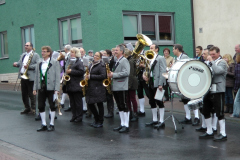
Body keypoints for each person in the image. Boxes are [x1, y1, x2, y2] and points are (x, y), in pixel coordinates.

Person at [199, 46, 228, 141]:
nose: (212, 56)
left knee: (219, 112)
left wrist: (211, 61)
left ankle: (223, 133)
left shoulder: (222, 62)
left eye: (213, 54)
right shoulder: (209, 62)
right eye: (210, 54)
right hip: (209, 89)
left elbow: (218, 71)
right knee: (205, 110)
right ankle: (209, 131)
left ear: (218, 53)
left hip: (218, 90)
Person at [33, 46, 60, 132]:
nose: (42, 53)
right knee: (40, 105)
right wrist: (35, 88)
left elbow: (57, 77)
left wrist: (57, 89)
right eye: (42, 51)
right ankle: (43, 124)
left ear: (49, 53)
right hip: (41, 86)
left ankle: (52, 124)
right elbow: (36, 76)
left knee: (52, 105)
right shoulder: (39, 63)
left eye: (44, 51)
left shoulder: (55, 62)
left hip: (51, 87)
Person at [172, 44, 200, 126]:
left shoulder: (184, 57)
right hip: (182, 81)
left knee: (191, 99)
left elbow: (187, 68)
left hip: (187, 81)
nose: (173, 51)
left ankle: (196, 117)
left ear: (177, 49)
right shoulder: (178, 58)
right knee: (185, 100)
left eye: (173, 49)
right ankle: (188, 117)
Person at [108, 45, 130, 133]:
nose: (115, 52)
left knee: (124, 105)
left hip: (122, 86)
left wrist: (114, 75)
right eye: (114, 50)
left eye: (116, 50)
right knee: (119, 105)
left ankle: (126, 125)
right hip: (116, 86)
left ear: (121, 51)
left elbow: (126, 73)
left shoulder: (124, 60)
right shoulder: (116, 60)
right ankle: (122, 123)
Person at [143, 44, 167, 129]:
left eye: (152, 48)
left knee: (159, 101)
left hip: (157, 83)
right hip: (150, 82)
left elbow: (163, 71)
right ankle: (154, 119)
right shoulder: (149, 58)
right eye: (150, 48)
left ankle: (161, 121)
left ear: (156, 49)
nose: (150, 49)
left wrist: (161, 84)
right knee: (151, 101)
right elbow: (146, 69)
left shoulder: (160, 58)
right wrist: (144, 76)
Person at [13, 42, 40, 115]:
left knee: (31, 93)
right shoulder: (23, 55)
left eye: (27, 45)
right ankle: (27, 108)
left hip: (30, 76)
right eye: (25, 45)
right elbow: (20, 63)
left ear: (31, 47)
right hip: (23, 76)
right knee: (24, 93)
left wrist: (29, 67)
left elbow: (38, 64)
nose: (26, 46)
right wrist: (16, 64)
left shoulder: (35, 55)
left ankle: (33, 108)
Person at [195, 48, 218, 133]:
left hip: (213, 88)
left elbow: (214, 73)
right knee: (203, 108)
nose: (202, 55)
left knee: (214, 109)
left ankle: (214, 127)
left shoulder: (214, 63)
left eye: (204, 54)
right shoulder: (204, 63)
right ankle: (204, 126)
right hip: (205, 88)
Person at [85, 52, 107, 128]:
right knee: (90, 103)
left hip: (98, 87)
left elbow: (103, 76)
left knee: (99, 104)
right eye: (95, 55)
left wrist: (91, 76)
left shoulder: (101, 65)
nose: (95, 57)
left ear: (100, 57)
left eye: (97, 56)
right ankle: (96, 119)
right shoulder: (91, 64)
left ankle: (100, 121)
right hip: (91, 87)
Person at [66, 47, 84, 123]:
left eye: (72, 52)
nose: (71, 54)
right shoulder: (70, 62)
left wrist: (71, 71)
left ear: (76, 54)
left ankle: (79, 116)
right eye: (70, 52)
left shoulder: (79, 62)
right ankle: (74, 115)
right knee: (72, 102)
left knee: (78, 102)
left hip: (77, 85)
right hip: (70, 84)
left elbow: (81, 71)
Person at [124, 49, 138, 122]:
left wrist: (128, 85)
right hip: (129, 82)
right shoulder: (129, 60)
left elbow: (131, 74)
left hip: (131, 82)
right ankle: (130, 113)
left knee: (132, 98)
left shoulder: (130, 61)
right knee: (128, 99)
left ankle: (135, 113)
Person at [136, 42, 150, 117]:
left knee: (148, 93)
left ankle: (154, 108)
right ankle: (142, 110)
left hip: (145, 75)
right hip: (138, 76)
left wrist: (143, 66)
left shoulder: (146, 53)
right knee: (139, 93)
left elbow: (149, 64)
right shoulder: (135, 54)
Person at [103, 49, 115, 118]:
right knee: (108, 97)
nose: (103, 54)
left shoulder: (111, 61)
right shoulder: (103, 61)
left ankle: (111, 112)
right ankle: (109, 111)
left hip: (110, 79)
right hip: (106, 79)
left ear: (108, 55)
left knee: (110, 97)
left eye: (105, 53)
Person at [62, 45, 72, 112]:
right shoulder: (66, 55)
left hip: (68, 74)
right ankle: (62, 103)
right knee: (65, 88)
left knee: (69, 90)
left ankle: (70, 106)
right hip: (66, 73)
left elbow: (68, 64)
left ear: (65, 49)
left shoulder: (69, 55)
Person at [232, 53, 240, 118]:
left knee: (237, 100)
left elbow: (238, 77)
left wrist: (236, 87)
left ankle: (236, 113)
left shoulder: (238, 66)